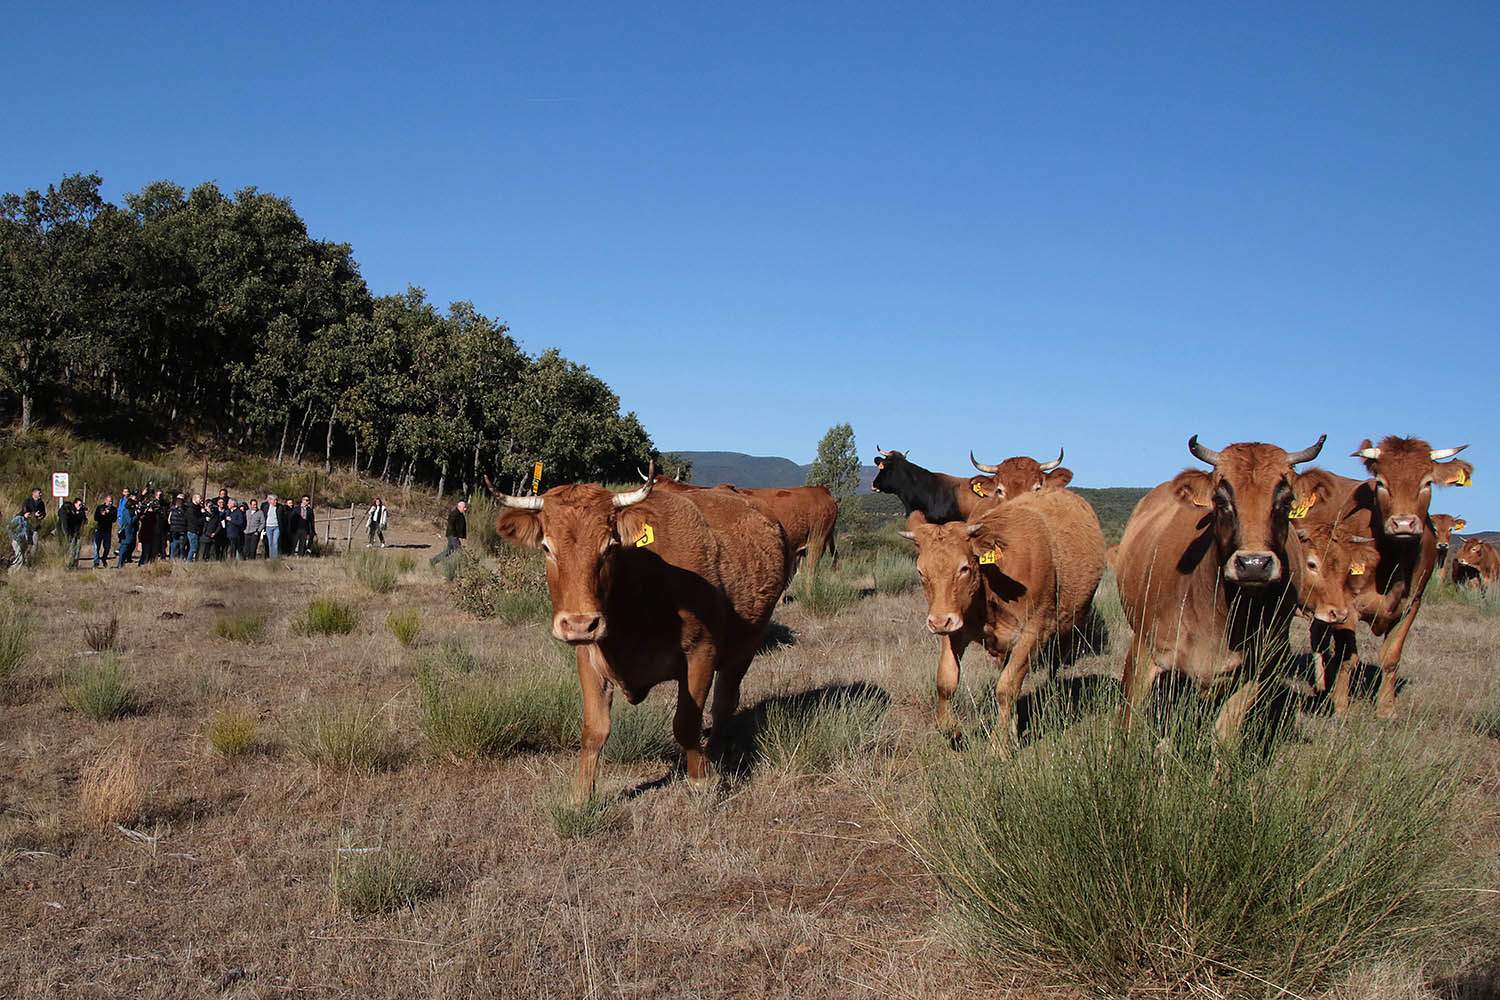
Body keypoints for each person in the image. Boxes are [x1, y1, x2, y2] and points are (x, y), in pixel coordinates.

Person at [60, 498, 86, 570]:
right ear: (75, 504)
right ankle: (69, 565)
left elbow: (84, 520)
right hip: (72, 533)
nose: (80, 506)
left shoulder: (81, 511)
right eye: (79, 504)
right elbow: (67, 521)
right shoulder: (70, 511)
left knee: (78, 550)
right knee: (72, 550)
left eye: (81, 505)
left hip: (79, 532)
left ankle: (75, 565)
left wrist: (81, 514)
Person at [115, 490, 138, 568]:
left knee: (129, 546)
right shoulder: (126, 511)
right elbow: (130, 521)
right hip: (126, 532)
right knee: (124, 547)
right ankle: (120, 563)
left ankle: (122, 563)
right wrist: (136, 516)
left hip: (130, 532)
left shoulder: (130, 511)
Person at [92, 493, 116, 568]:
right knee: (96, 546)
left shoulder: (114, 509)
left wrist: (108, 514)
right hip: (99, 529)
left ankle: (104, 558)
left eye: (111, 501)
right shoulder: (100, 507)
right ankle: (96, 561)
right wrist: (102, 514)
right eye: (109, 501)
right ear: (105, 501)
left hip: (107, 530)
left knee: (107, 547)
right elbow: (95, 518)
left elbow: (114, 519)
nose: (110, 503)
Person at [8, 507, 31, 573]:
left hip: (22, 541)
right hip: (16, 540)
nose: (29, 515)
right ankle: (11, 572)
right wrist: (15, 537)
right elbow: (10, 528)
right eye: (28, 514)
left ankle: (14, 572)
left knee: (22, 558)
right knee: (19, 558)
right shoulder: (18, 519)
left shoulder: (25, 520)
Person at [167, 495, 189, 561]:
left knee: (176, 545)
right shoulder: (185, 509)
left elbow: (169, 520)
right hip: (179, 529)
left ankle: (174, 558)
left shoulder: (172, 509)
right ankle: (178, 559)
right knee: (179, 545)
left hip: (176, 529)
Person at [187, 494, 207, 562]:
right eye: (199, 498)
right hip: (193, 531)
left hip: (197, 531)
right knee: (193, 548)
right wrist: (204, 515)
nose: (201, 500)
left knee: (196, 548)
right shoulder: (191, 509)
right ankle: (188, 562)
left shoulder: (198, 508)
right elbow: (196, 521)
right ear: (194, 499)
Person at [262, 494, 282, 560]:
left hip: (276, 527)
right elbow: (263, 517)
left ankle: (275, 558)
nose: (276, 501)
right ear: (270, 501)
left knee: (275, 542)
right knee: (270, 542)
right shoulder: (265, 507)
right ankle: (271, 557)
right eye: (274, 500)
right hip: (268, 527)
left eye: (276, 500)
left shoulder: (280, 507)